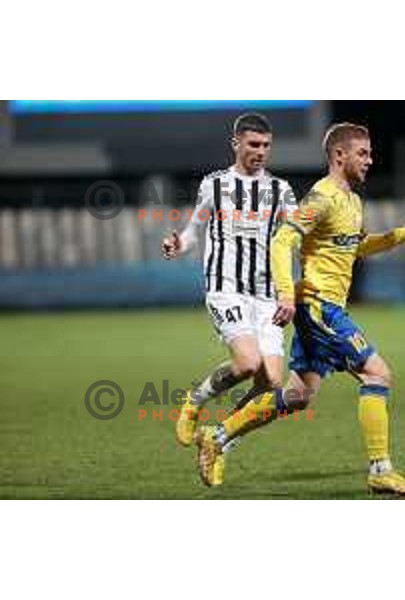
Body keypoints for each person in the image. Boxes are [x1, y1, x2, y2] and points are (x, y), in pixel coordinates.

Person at [194, 122, 405, 496]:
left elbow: (354, 247)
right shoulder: (321, 198)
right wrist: (287, 294)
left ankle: (218, 436)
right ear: (339, 155)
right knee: (378, 374)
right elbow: (281, 240)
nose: (370, 160)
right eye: (363, 153)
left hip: (323, 307)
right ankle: (380, 469)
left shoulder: (351, 200)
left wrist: (403, 234)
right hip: (318, 306)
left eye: (370, 153)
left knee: (298, 395)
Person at [161, 113, 296, 483]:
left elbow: (298, 234)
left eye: (266, 145)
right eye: (253, 144)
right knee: (249, 364)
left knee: (271, 384)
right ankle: (195, 400)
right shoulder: (215, 185)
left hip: (267, 295)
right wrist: (178, 244)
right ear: (235, 143)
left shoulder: (281, 190)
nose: (260, 152)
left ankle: (219, 442)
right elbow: (193, 231)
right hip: (226, 287)